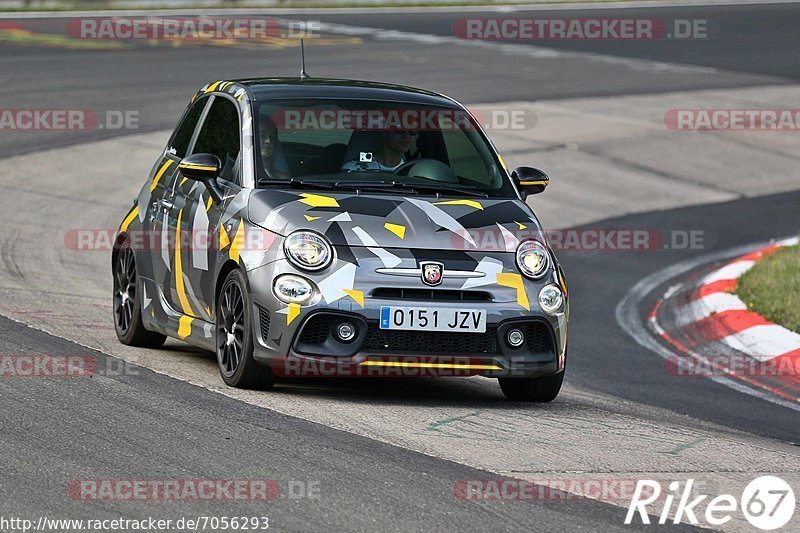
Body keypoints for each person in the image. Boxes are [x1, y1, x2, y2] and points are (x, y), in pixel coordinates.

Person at [342, 130, 417, 172]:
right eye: (399, 131)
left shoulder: (414, 171)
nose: (407, 136)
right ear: (384, 132)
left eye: (412, 133)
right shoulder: (354, 168)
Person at [259, 115, 290, 181]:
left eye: (272, 137)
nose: (268, 141)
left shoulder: (283, 178)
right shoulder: (242, 177)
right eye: (262, 135)